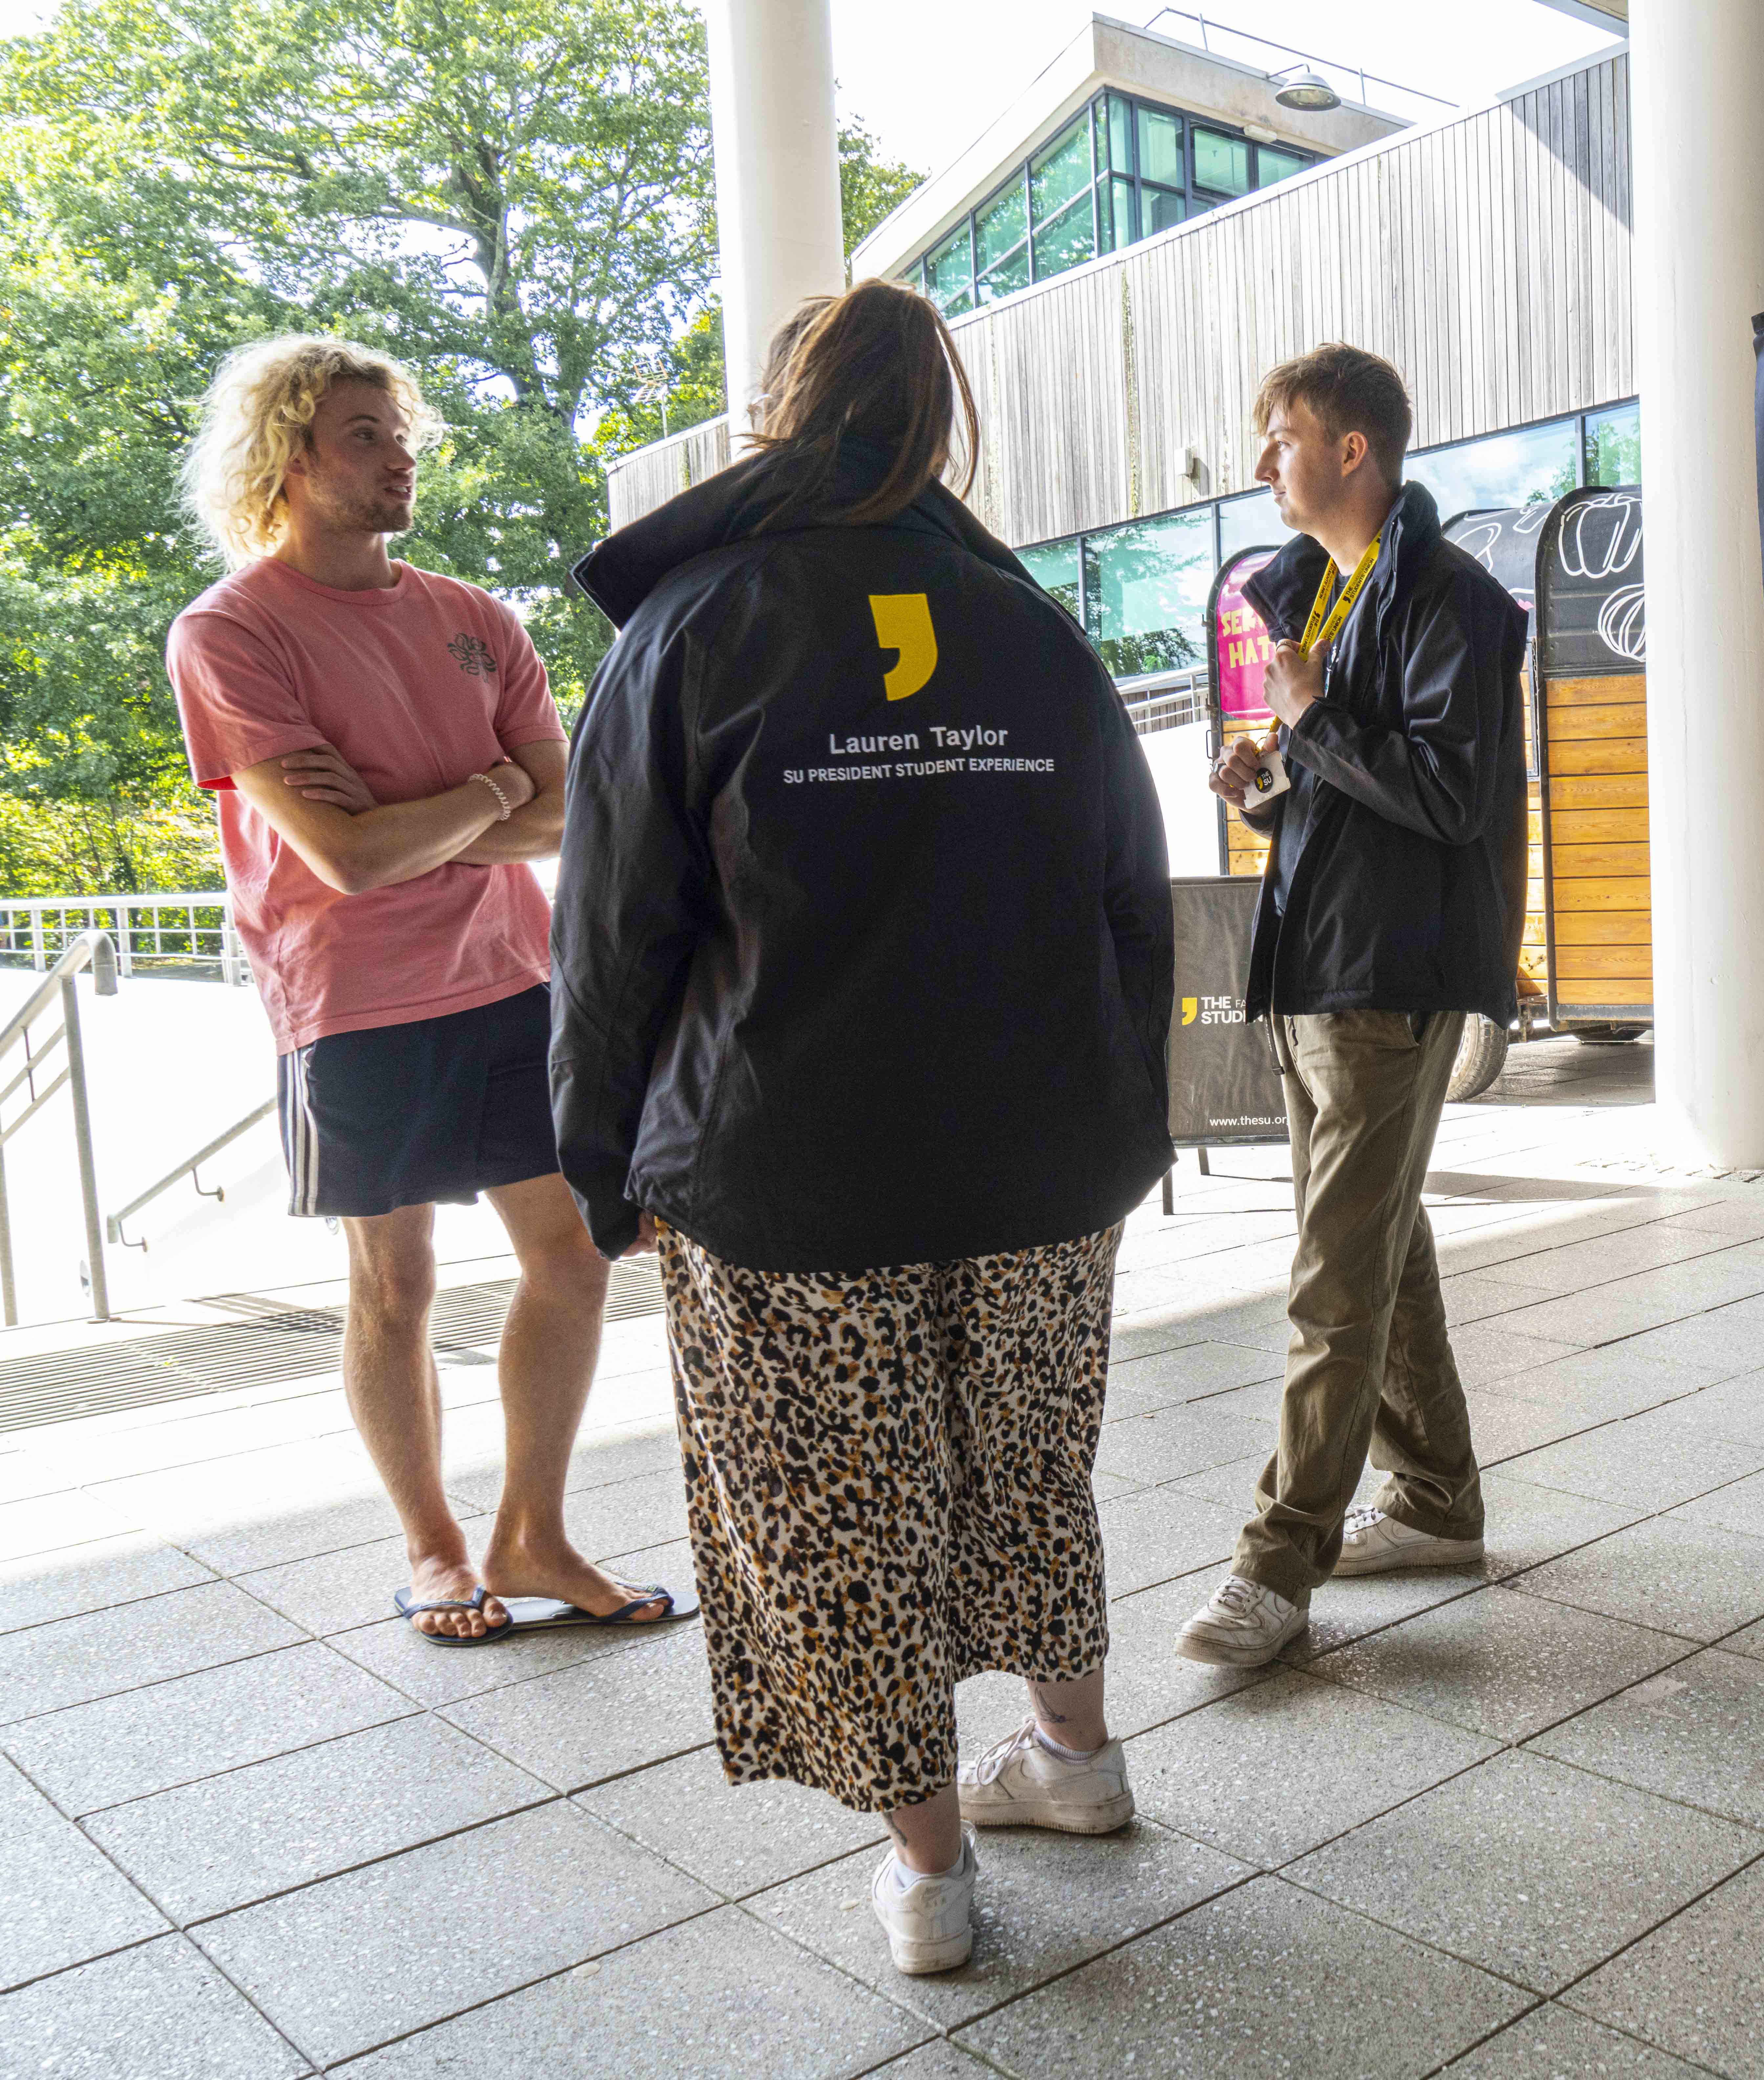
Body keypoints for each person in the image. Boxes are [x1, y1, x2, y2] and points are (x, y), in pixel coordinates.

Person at [553, 281, 1172, 1976]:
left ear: (778, 414)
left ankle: (933, 1874)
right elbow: (1132, 899)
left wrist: (603, 1165)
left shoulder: (690, 622)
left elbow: (610, 939)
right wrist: (1124, 1119)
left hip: (784, 1170)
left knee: (839, 1515)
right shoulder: (1031, 626)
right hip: (1044, 1156)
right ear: (941, 423)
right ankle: (1075, 1758)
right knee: (1029, 1468)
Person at [165, 337, 651, 1648]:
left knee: (576, 1255)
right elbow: (348, 859)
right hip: (351, 1000)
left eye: (401, 434)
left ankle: (532, 1533)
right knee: (397, 1285)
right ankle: (435, 1550)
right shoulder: (229, 633)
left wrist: (435, 811)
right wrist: (490, 790)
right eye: (364, 437)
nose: (400, 458)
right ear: (289, 459)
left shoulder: (475, 617)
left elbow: (566, 815)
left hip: (516, 975)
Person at [1181, 343, 1526, 1665]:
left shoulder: (1450, 601)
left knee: (1335, 1279)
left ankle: (1277, 1562)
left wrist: (1315, 720)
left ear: (1352, 450)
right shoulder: (1325, 596)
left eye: (1281, 437)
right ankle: (1435, 1501)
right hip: (1321, 968)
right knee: (1381, 1245)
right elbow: (1355, 791)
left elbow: (1451, 796)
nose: (1262, 462)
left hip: (1391, 977)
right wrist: (1270, 783)